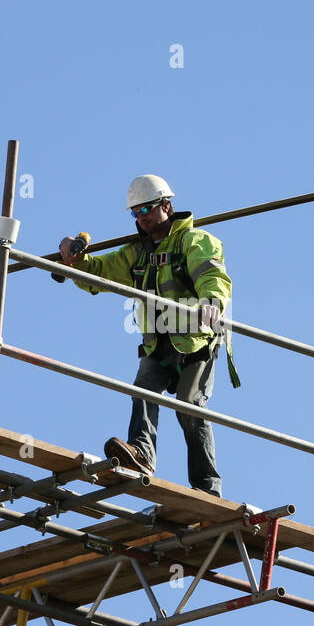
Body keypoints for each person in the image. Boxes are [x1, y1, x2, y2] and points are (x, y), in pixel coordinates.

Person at [58, 175, 236, 496]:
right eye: (135, 213)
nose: (141, 219)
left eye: (146, 210)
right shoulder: (136, 253)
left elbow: (211, 273)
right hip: (158, 344)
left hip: (195, 342)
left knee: (190, 406)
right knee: (143, 390)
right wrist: (74, 259)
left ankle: (207, 486)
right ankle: (142, 455)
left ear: (166, 205)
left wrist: (213, 301)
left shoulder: (194, 242)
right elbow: (98, 275)